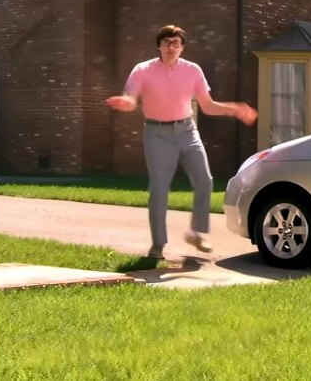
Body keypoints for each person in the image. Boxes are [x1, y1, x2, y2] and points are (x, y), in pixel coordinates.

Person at [105, 24, 258, 259]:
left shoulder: (193, 70)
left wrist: (235, 109)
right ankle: (158, 245)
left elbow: (207, 105)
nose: (170, 47)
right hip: (157, 133)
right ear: (159, 45)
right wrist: (124, 103)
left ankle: (196, 233)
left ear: (182, 47)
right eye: (166, 42)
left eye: (175, 43)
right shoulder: (143, 70)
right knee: (159, 189)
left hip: (187, 130)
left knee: (204, 181)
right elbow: (130, 98)